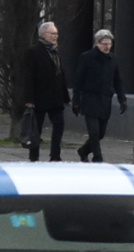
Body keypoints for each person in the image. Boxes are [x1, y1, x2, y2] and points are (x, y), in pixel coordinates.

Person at [69, 28, 127, 162]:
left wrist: (122, 99)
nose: (107, 47)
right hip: (90, 99)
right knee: (93, 132)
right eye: (104, 44)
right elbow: (78, 81)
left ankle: (83, 150)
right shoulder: (87, 57)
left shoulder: (113, 59)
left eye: (109, 44)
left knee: (100, 133)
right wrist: (76, 101)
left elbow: (117, 81)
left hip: (105, 100)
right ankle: (98, 158)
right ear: (97, 44)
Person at [18, 21, 67, 161]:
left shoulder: (55, 51)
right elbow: (28, 76)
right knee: (36, 128)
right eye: (53, 34)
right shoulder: (33, 52)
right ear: (44, 35)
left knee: (59, 125)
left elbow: (61, 74)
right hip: (39, 98)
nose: (56, 36)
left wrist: (65, 96)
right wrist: (29, 99)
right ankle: (34, 156)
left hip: (56, 98)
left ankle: (55, 155)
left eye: (57, 34)